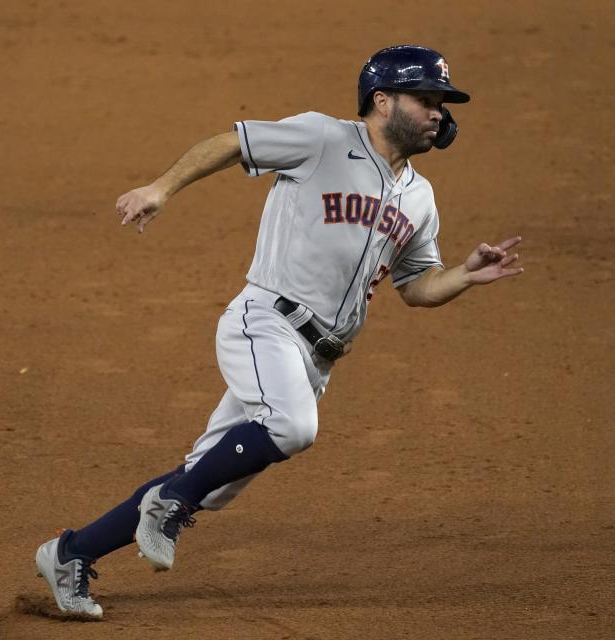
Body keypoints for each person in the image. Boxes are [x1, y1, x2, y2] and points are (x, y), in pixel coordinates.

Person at [34, 45, 523, 619]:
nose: (438, 112)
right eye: (426, 99)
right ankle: (169, 502)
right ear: (382, 100)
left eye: (442, 103)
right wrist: (161, 188)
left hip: (317, 360)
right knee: (290, 428)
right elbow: (231, 143)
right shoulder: (322, 139)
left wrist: (464, 274)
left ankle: (71, 553)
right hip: (266, 322)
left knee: (208, 482)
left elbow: (416, 285)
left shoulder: (420, 197)